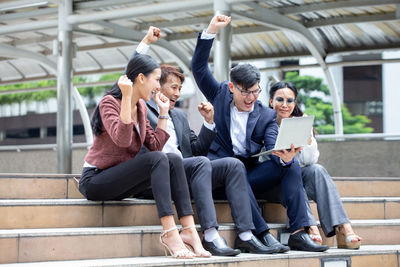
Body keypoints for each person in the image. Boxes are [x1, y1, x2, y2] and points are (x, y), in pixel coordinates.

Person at [132, 27, 278, 256]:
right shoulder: (140, 107)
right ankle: (210, 235)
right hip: (156, 176)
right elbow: (130, 74)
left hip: (185, 173)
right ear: (155, 85)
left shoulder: (179, 116)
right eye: (173, 87)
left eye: (180, 88)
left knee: (233, 164)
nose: (177, 93)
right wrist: (146, 42)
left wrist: (209, 123)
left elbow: (198, 150)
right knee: (200, 163)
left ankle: (246, 235)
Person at [191, 15, 329, 252]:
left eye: (255, 92)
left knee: (291, 165)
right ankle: (262, 233)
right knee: (236, 167)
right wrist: (211, 30)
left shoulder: (265, 115)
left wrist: (284, 158)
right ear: (232, 87)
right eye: (245, 92)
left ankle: (298, 232)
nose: (251, 98)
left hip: (248, 174)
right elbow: (199, 68)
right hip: (219, 172)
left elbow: (273, 145)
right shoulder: (220, 94)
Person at [78, 53, 208, 259]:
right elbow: (122, 140)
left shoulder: (141, 108)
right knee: (158, 159)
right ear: (140, 78)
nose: (158, 86)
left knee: (172, 158)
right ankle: (169, 233)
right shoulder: (109, 103)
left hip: (121, 180)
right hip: (96, 180)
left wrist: (164, 112)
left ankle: (189, 231)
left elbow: (156, 147)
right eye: (156, 79)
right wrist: (127, 96)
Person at [268, 81, 362, 249]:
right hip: (274, 181)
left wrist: (307, 135)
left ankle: (343, 226)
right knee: (293, 175)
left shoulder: (299, 122)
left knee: (317, 170)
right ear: (270, 101)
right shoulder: (264, 122)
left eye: (290, 101)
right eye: (279, 100)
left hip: (298, 175)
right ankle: (310, 226)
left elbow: (310, 161)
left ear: (295, 103)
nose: (284, 105)